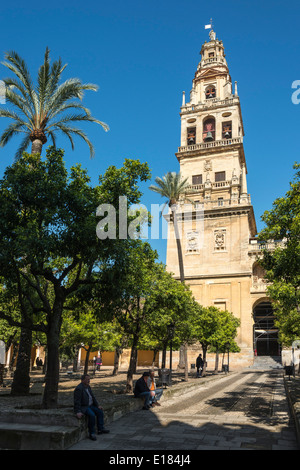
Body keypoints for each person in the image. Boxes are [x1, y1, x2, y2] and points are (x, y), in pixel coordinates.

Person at [74, 374, 110, 440]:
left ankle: (100, 429)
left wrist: (97, 405)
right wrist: (78, 411)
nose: (89, 381)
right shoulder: (79, 388)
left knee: (100, 411)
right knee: (92, 415)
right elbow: (77, 401)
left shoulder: (88, 387)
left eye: (89, 379)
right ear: (82, 380)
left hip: (91, 405)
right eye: (87, 379)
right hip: (84, 407)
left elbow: (93, 397)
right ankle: (91, 433)